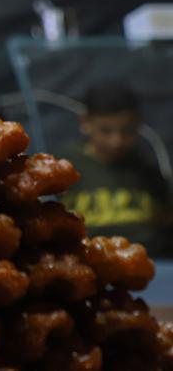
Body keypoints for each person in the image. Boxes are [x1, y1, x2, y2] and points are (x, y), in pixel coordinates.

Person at [57, 82, 172, 256]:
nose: (116, 141)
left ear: (138, 124)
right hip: (88, 262)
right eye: (106, 131)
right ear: (85, 123)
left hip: (150, 266)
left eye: (127, 131)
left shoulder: (148, 170)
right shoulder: (63, 166)